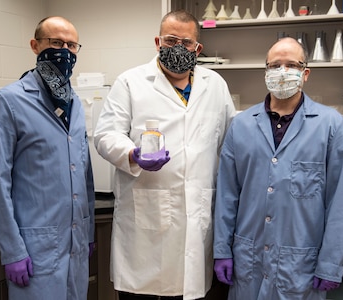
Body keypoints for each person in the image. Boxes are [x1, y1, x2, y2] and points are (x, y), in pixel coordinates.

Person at [94, 9, 236, 300]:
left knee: (190, 289)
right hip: (145, 227)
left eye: (186, 43)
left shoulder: (215, 85)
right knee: (141, 293)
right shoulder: (131, 82)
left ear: (198, 48)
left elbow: (231, 142)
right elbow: (105, 134)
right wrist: (132, 154)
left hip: (196, 221)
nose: (178, 49)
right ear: (158, 42)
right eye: (171, 41)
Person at [213, 36, 343, 300]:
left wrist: (331, 262)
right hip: (248, 261)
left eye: (291, 65)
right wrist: (222, 249)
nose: (283, 72)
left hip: (300, 267)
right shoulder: (242, 125)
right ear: (265, 72)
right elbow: (226, 195)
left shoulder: (330, 125)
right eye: (275, 65)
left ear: (305, 73)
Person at [0, 16, 95, 300]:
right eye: (56, 43)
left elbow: (84, 174)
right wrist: (12, 250)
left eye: (71, 45)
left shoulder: (75, 103)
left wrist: (89, 232)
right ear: (35, 46)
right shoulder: (9, 101)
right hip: (34, 251)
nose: (64, 51)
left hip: (75, 245)